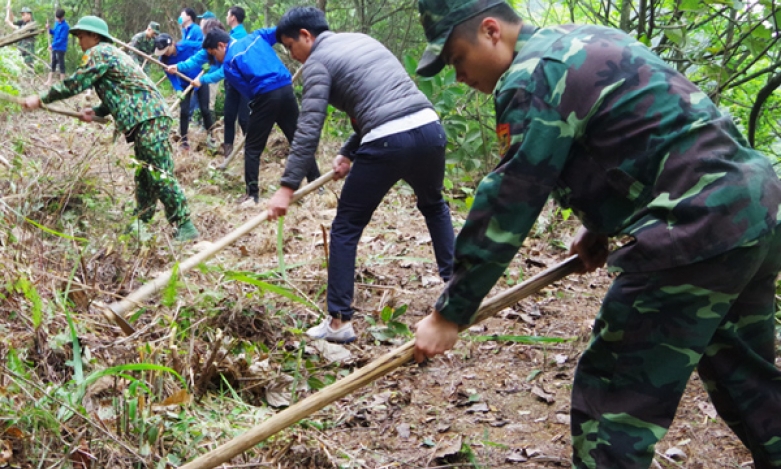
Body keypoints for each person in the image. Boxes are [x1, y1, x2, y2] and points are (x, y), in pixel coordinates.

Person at [411, 1, 781, 468]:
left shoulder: (530, 77)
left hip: (691, 228)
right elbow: (643, 132)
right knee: (744, 376)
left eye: (457, 59)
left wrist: (451, 312)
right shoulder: (583, 39)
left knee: (611, 406)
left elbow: (511, 197)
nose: (458, 76)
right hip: (755, 211)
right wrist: (600, 227)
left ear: (490, 31)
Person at [266, 7, 455, 344]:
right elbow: (381, 100)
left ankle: (339, 322)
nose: (292, 56)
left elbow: (308, 126)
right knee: (434, 205)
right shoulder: (362, 41)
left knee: (346, 226)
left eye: (290, 46)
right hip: (429, 128)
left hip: (387, 139)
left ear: (306, 36)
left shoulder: (318, 62)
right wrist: (349, 152)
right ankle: (458, 292)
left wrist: (286, 186)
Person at [22, 16, 199, 241]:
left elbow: (76, 82)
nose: (79, 41)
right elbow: (118, 94)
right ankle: (141, 222)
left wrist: (41, 98)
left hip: (148, 117)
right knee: (146, 173)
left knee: (160, 174)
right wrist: (96, 112)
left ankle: (185, 225)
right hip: (145, 117)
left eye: (82, 36)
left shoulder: (100, 52)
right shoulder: (111, 55)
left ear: (94, 36)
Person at [202, 28, 320, 205]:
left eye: (214, 54)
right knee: (297, 139)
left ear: (221, 45)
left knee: (252, 147)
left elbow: (247, 91)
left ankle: (252, 195)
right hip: (286, 89)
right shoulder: (257, 36)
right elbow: (281, 31)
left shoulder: (229, 63)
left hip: (265, 95)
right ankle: (317, 184)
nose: (216, 59)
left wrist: (258, 105)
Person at [166, 9, 249, 157]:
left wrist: (203, 78)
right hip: (230, 84)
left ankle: (251, 148)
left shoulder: (232, 46)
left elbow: (224, 70)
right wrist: (178, 66)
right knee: (229, 116)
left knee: (243, 117)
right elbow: (195, 60)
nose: (204, 38)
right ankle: (228, 153)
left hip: (244, 83)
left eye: (206, 35)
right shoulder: (207, 49)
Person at [155, 32, 215, 151]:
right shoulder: (163, 60)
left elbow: (206, 48)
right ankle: (184, 141)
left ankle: (211, 137)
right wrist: (178, 89)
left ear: (172, 44)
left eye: (166, 50)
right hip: (184, 83)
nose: (165, 53)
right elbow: (171, 76)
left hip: (200, 78)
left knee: (205, 109)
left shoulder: (187, 45)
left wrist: (207, 64)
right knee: (184, 111)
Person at [45, 8, 69, 86]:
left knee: (61, 64)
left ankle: (62, 83)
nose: (58, 20)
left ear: (63, 17)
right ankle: (49, 81)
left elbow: (62, 39)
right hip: (55, 48)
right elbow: (54, 33)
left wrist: (53, 45)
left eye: (59, 18)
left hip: (61, 48)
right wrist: (49, 29)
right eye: (57, 18)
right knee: (53, 63)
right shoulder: (56, 23)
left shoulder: (65, 27)